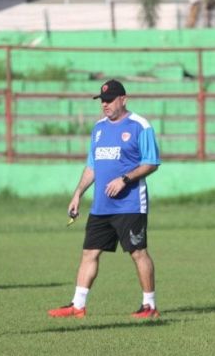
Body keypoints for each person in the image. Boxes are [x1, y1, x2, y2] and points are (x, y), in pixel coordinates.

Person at [48, 79, 161, 319]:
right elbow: (92, 166)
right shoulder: (99, 128)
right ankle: (77, 305)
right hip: (102, 206)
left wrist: (125, 179)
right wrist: (78, 193)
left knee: (138, 252)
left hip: (130, 204)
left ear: (124, 99)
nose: (105, 105)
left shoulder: (141, 125)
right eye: (102, 101)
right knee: (89, 253)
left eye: (109, 100)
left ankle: (149, 306)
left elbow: (151, 162)